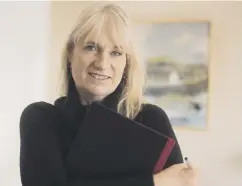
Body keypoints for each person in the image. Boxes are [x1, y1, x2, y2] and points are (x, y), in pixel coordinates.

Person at [19, 3, 197, 186]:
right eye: (91, 47)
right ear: (71, 53)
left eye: (116, 52)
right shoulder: (41, 118)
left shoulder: (151, 119)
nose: (103, 63)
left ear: (126, 63)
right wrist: (154, 182)